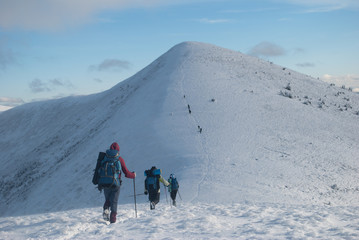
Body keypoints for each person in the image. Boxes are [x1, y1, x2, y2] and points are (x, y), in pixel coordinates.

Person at [99, 142, 136, 223]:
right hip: (116, 184)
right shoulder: (119, 159)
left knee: (108, 199)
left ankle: (106, 209)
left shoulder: (104, 157)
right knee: (114, 201)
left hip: (105, 183)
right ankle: (113, 220)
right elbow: (126, 172)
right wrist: (133, 175)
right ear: (118, 150)